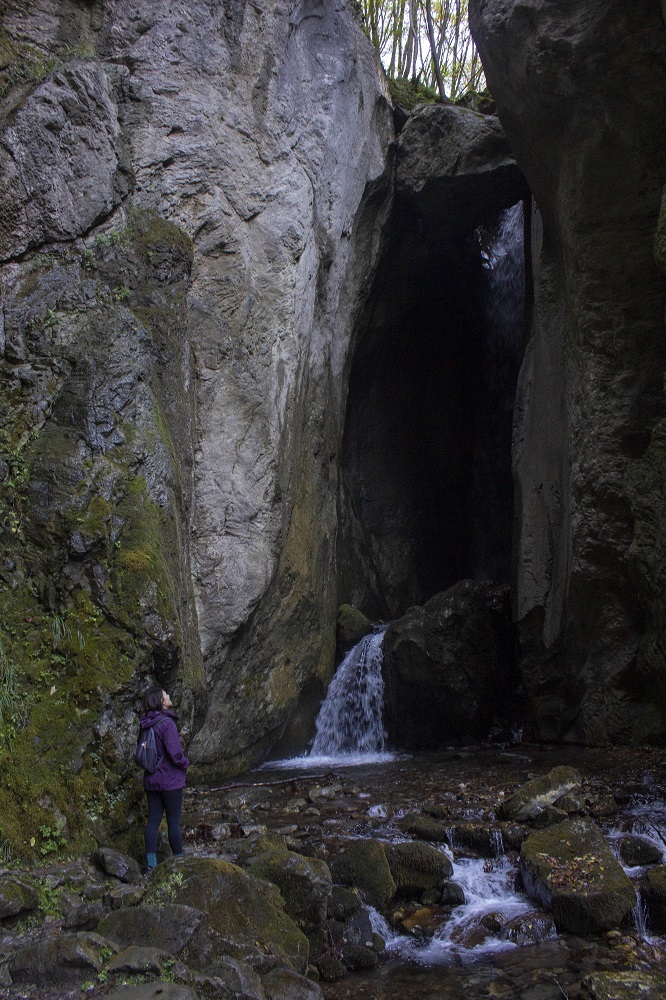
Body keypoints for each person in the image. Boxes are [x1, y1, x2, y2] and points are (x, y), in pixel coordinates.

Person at [138, 687, 189, 871]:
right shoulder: (167, 724)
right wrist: (185, 763)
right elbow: (175, 753)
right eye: (165, 694)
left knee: (153, 819)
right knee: (173, 821)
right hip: (170, 780)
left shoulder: (146, 723)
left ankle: (151, 864)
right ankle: (179, 861)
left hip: (151, 780)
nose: (168, 695)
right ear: (160, 701)